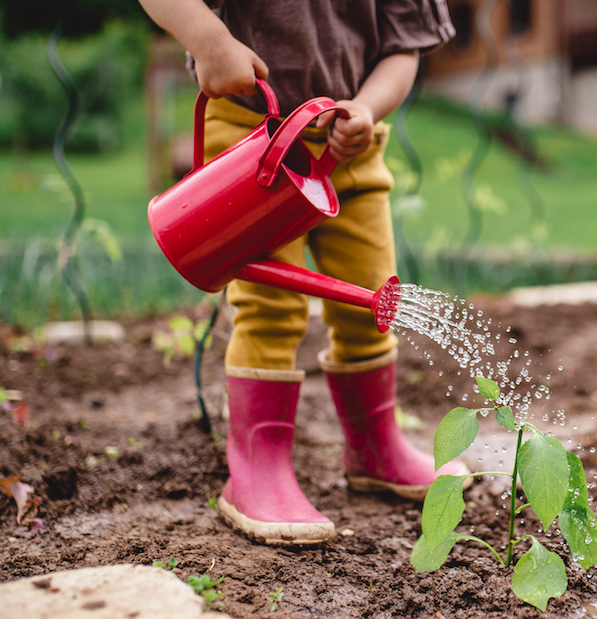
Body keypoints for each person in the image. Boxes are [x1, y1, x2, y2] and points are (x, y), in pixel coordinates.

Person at [137, 0, 468, 546]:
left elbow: (403, 48)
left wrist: (366, 107)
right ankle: (256, 468)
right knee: (271, 310)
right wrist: (210, 41)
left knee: (371, 301)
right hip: (252, 140)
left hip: (351, 148)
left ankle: (375, 445)